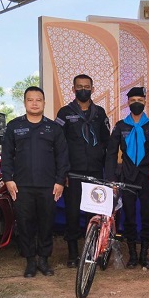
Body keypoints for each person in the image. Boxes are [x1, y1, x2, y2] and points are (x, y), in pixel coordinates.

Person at [2, 86, 69, 277]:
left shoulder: (54, 128)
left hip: (48, 186)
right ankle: (30, 261)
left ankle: (44, 260)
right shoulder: (14, 126)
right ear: (24, 102)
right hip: (21, 186)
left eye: (38, 100)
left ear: (44, 103)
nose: (34, 103)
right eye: (30, 100)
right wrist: (8, 179)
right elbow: (6, 155)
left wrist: (60, 181)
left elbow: (62, 157)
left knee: (46, 224)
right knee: (25, 224)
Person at [56, 74, 111, 267]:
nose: (83, 90)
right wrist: (62, 173)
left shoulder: (100, 113)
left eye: (87, 87)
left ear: (92, 89)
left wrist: (106, 173)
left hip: (95, 173)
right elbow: (58, 145)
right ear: (73, 89)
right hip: (73, 173)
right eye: (79, 87)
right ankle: (73, 254)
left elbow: (107, 142)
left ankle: (91, 252)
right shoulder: (64, 113)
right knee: (72, 214)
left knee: (93, 214)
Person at [105, 86, 149, 269]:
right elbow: (111, 154)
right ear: (128, 102)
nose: (136, 103)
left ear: (145, 102)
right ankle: (133, 255)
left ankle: (144, 254)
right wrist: (111, 179)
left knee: (147, 216)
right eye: (133, 100)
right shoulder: (121, 126)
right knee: (129, 217)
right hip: (127, 177)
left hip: (147, 178)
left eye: (140, 100)